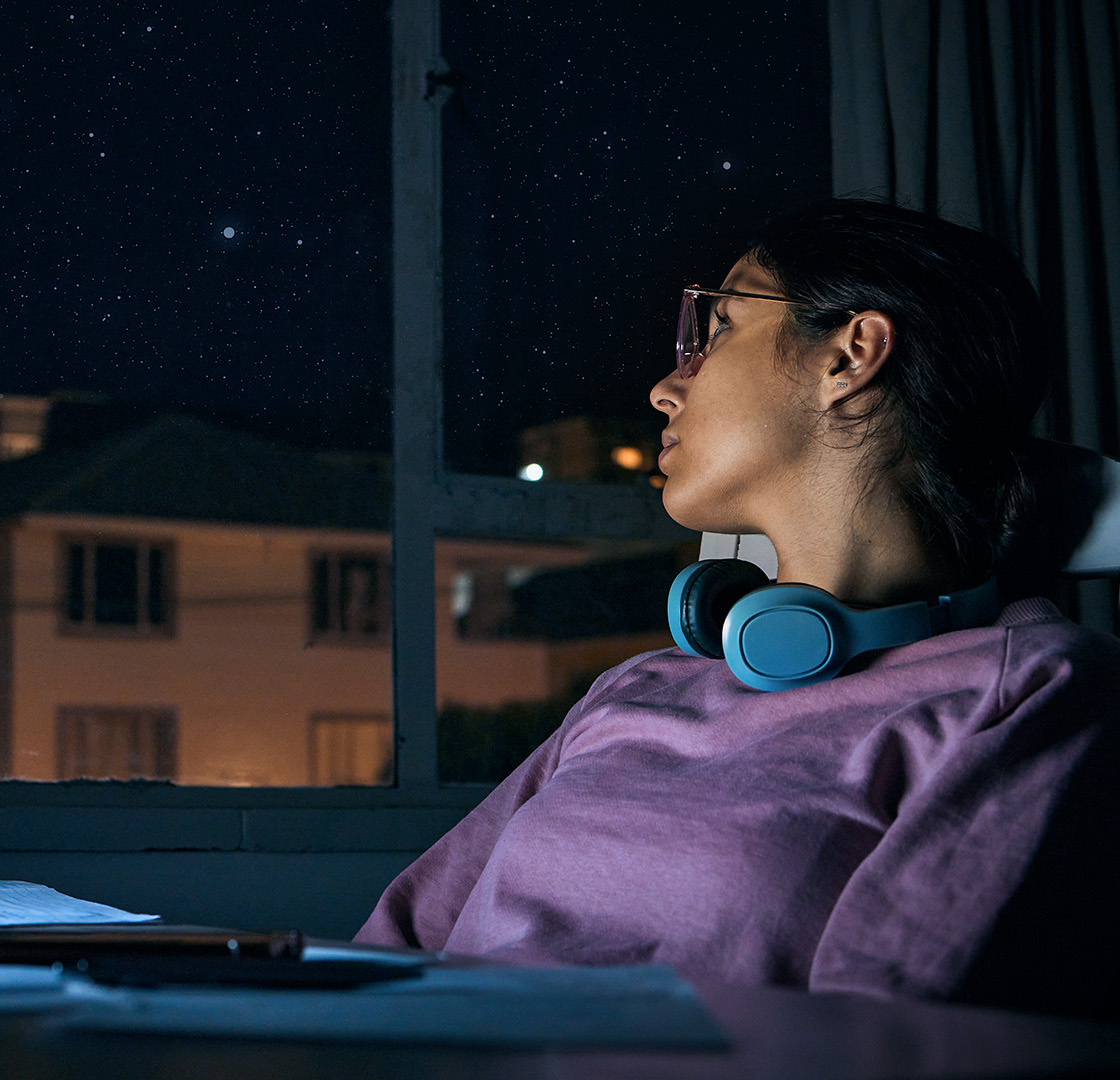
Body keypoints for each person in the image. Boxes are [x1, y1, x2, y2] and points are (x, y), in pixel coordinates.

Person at [356, 199, 1120, 1017]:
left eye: (715, 330)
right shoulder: (633, 690)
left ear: (850, 355)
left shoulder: (1030, 693)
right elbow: (383, 956)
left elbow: (879, 1037)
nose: (661, 389)